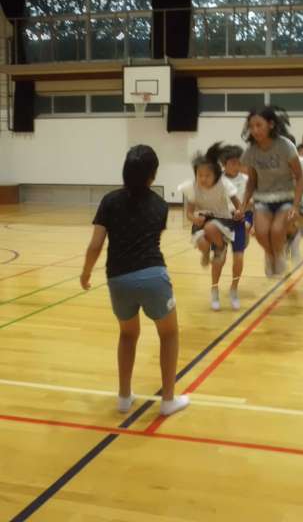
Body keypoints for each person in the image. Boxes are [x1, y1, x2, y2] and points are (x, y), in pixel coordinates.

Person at [80, 145, 189, 416]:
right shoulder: (161, 205)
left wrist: (85, 273)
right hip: (153, 275)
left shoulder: (109, 201)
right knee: (169, 334)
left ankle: (124, 397)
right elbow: (152, 240)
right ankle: (168, 400)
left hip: (118, 279)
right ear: (153, 175)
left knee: (128, 335)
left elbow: (95, 245)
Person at [240, 106, 303, 277]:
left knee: (276, 231)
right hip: (262, 199)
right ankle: (271, 255)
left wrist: (296, 205)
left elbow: (299, 177)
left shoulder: (285, 146)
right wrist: (244, 203)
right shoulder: (251, 152)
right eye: (251, 126)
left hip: (286, 198)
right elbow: (252, 181)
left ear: (271, 124)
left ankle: (280, 252)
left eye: (258, 125)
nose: (255, 130)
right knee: (261, 233)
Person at [178, 142, 243, 310]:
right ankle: (207, 253)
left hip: (222, 220)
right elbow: (189, 213)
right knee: (201, 242)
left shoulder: (224, 185)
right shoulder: (192, 187)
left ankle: (219, 250)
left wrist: (239, 212)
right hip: (202, 220)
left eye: (207, 175)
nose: (203, 179)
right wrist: (194, 219)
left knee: (211, 227)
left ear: (216, 175)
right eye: (200, 175)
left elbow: (238, 204)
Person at [208, 145, 253, 310]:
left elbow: (252, 203)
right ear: (223, 164)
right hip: (221, 221)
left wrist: (244, 214)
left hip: (240, 222)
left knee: (239, 257)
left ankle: (234, 289)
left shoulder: (247, 180)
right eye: (233, 163)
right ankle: (214, 289)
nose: (236, 166)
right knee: (220, 258)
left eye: (239, 162)